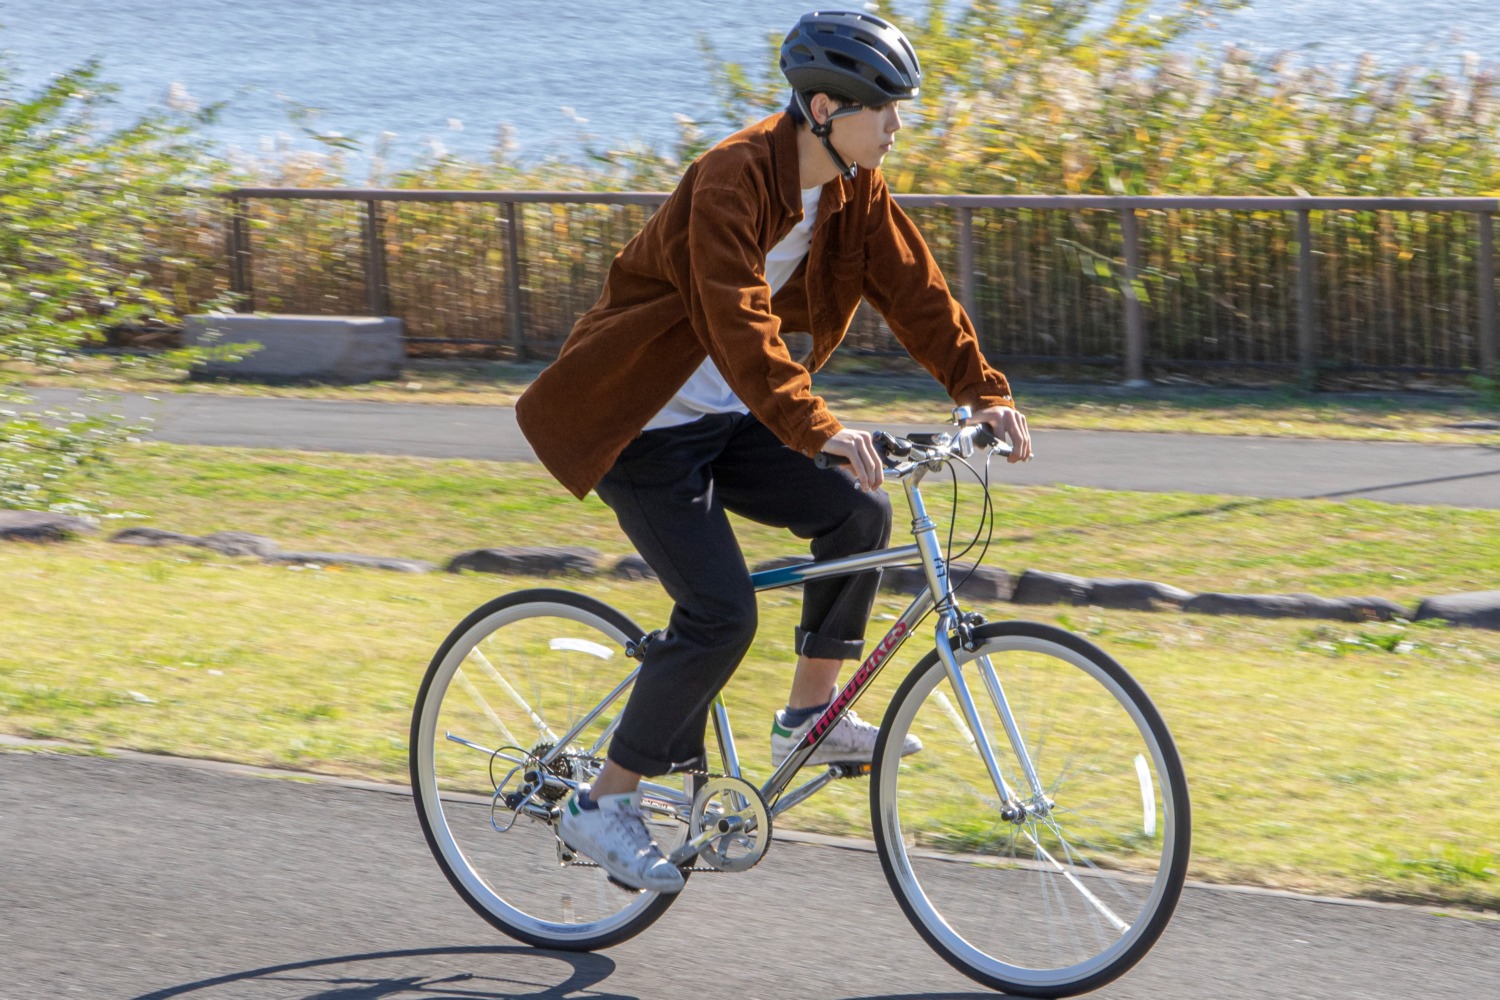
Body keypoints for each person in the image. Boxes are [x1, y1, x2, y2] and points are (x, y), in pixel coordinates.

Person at [515, 10, 1032, 893]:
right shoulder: (729, 179)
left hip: (730, 421)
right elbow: (738, 322)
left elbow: (914, 288)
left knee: (859, 513)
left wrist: (980, 387)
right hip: (641, 426)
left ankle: (808, 715)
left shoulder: (852, 189)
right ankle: (603, 802)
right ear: (826, 107)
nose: (896, 129)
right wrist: (818, 425)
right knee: (720, 615)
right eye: (885, 111)